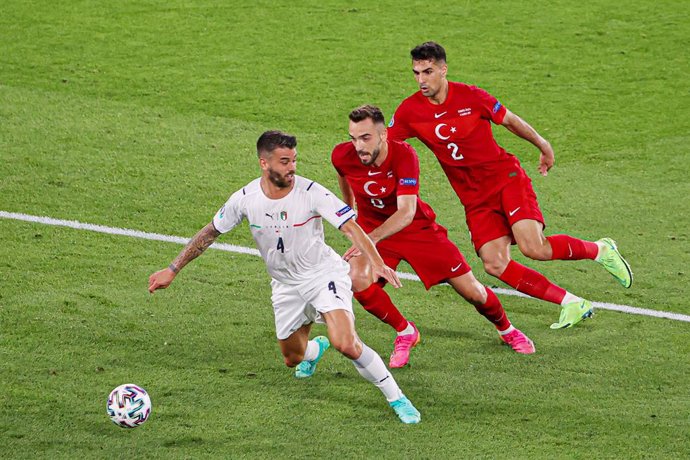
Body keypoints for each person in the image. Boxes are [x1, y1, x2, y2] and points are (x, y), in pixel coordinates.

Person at [148, 130, 421, 424]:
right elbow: (210, 232)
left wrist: (376, 262)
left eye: (294, 160)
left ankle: (397, 398)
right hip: (285, 285)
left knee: (346, 342)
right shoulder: (245, 199)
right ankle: (315, 351)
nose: (291, 168)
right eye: (284, 161)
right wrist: (173, 269)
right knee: (293, 357)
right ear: (264, 164)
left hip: (322, 275)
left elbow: (352, 227)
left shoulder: (312, 193)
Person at [388, 42, 633, 329]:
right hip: (474, 199)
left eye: (427, 71)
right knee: (494, 264)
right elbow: (387, 145)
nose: (421, 80)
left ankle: (600, 250)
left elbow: (510, 121)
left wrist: (543, 144)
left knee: (533, 247)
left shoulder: (471, 96)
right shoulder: (410, 111)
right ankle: (571, 302)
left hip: (506, 180)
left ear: (443, 70)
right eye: (416, 73)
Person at [332, 105, 535, 368]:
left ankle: (507, 329)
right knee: (356, 278)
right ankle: (406, 332)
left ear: (383, 135)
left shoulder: (404, 155)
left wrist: (368, 239)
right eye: (353, 138)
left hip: (416, 230)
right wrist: (352, 215)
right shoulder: (342, 155)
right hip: (373, 229)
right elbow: (343, 177)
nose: (358, 146)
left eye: (365, 138)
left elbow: (406, 212)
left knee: (473, 292)